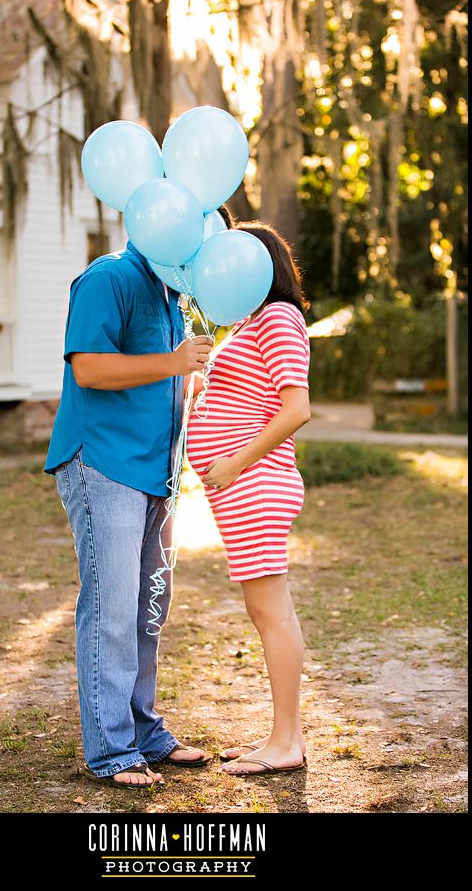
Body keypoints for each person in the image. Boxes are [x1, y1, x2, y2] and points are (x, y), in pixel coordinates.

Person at [45, 238, 213, 789]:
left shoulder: (174, 290)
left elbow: (163, 380)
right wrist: (174, 360)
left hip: (155, 471)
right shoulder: (108, 277)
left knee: (148, 610)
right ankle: (111, 748)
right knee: (112, 608)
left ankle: (145, 732)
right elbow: (89, 368)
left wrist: (189, 379)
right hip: (103, 462)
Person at [186, 220, 311, 776]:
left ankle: (287, 742)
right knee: (264, 610)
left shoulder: (280, 318)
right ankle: (282, 737)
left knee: (271, 611)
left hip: (256, 484)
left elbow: (295, 409)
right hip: (241, 489)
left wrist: (234, 462)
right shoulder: (250, 322)